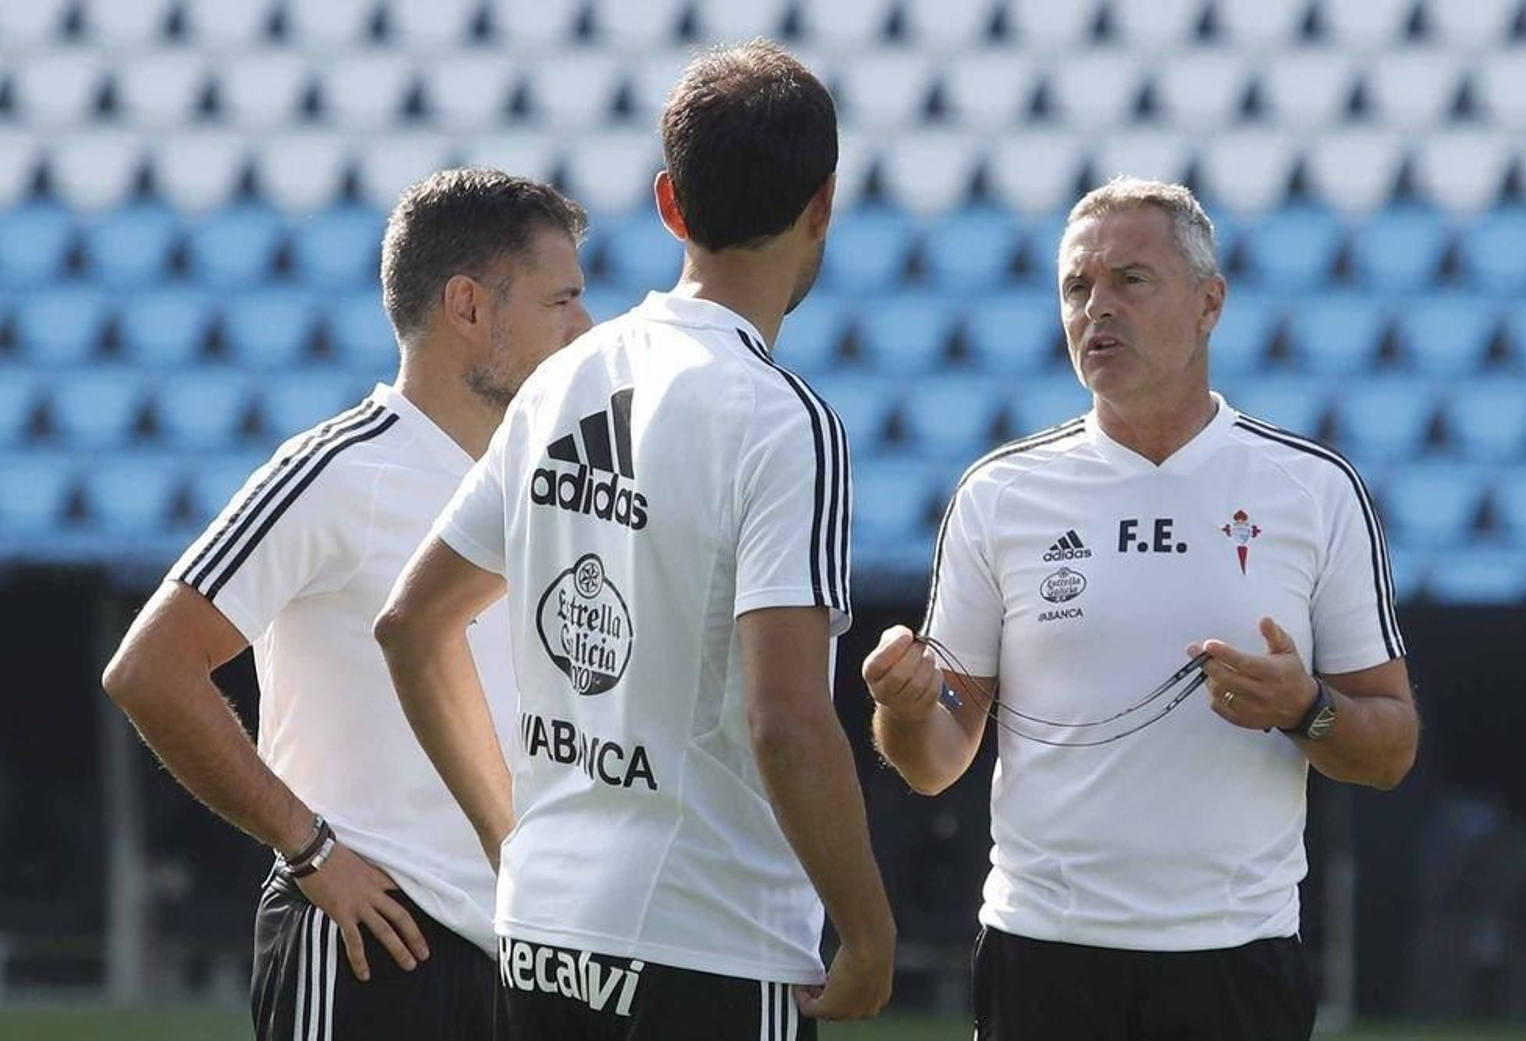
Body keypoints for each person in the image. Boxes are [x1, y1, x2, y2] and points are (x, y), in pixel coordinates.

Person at [375, 41, 895, 1040]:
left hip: (541, 929)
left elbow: (410, 626)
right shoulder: (784, 419)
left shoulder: (572, 370)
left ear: (668, 204)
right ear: (823, 206)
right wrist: (867, 931)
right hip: (705, 940)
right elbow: (786, 720)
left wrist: (511, 836)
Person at [863, 177, 1419, 1040]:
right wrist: (903, 710)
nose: (1097, 309)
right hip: (1043, 952)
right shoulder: (1000, 493)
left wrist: (1306, 710)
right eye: (1076, 288)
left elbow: (1390, 746)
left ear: (1210, 303)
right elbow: (935, 758)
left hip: (1236, 960)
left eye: (1130, 280)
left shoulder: (1313, 491)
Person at [101, 168, 592, 1040]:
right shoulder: (339, 469)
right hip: (371, 951)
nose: (584, 329)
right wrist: (312, 849)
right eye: (561, 301)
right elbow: (150, 667)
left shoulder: (543, 489)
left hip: (518, 967)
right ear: (469, 307)